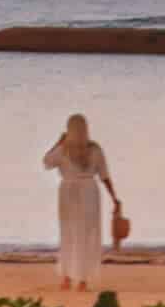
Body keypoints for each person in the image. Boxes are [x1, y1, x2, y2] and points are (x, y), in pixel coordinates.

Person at [44, 112, 120, 289]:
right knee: (86, 235)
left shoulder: (63, 149)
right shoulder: (94, 149)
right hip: (89, 192)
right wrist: (114, 197)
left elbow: (46, 162)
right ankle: (83, 280)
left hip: (68, 191)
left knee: (69, 233)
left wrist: (58, 142)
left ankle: (67, 277)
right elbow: (104, 175)